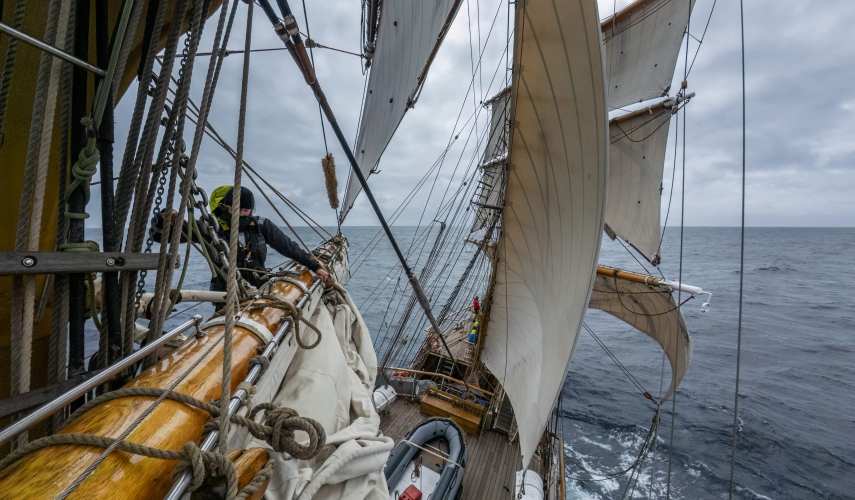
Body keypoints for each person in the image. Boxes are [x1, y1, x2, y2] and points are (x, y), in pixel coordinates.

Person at [153, 186, 328, 310]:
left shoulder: (261, 225)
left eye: (247, 210)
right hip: (225, 295)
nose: (243, 214)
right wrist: (166, 219)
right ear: (226, 207)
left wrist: (314, 265)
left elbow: (288, 247)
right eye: (238, 210)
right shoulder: (211, 229)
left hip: (259, 288)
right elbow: (161, 237)